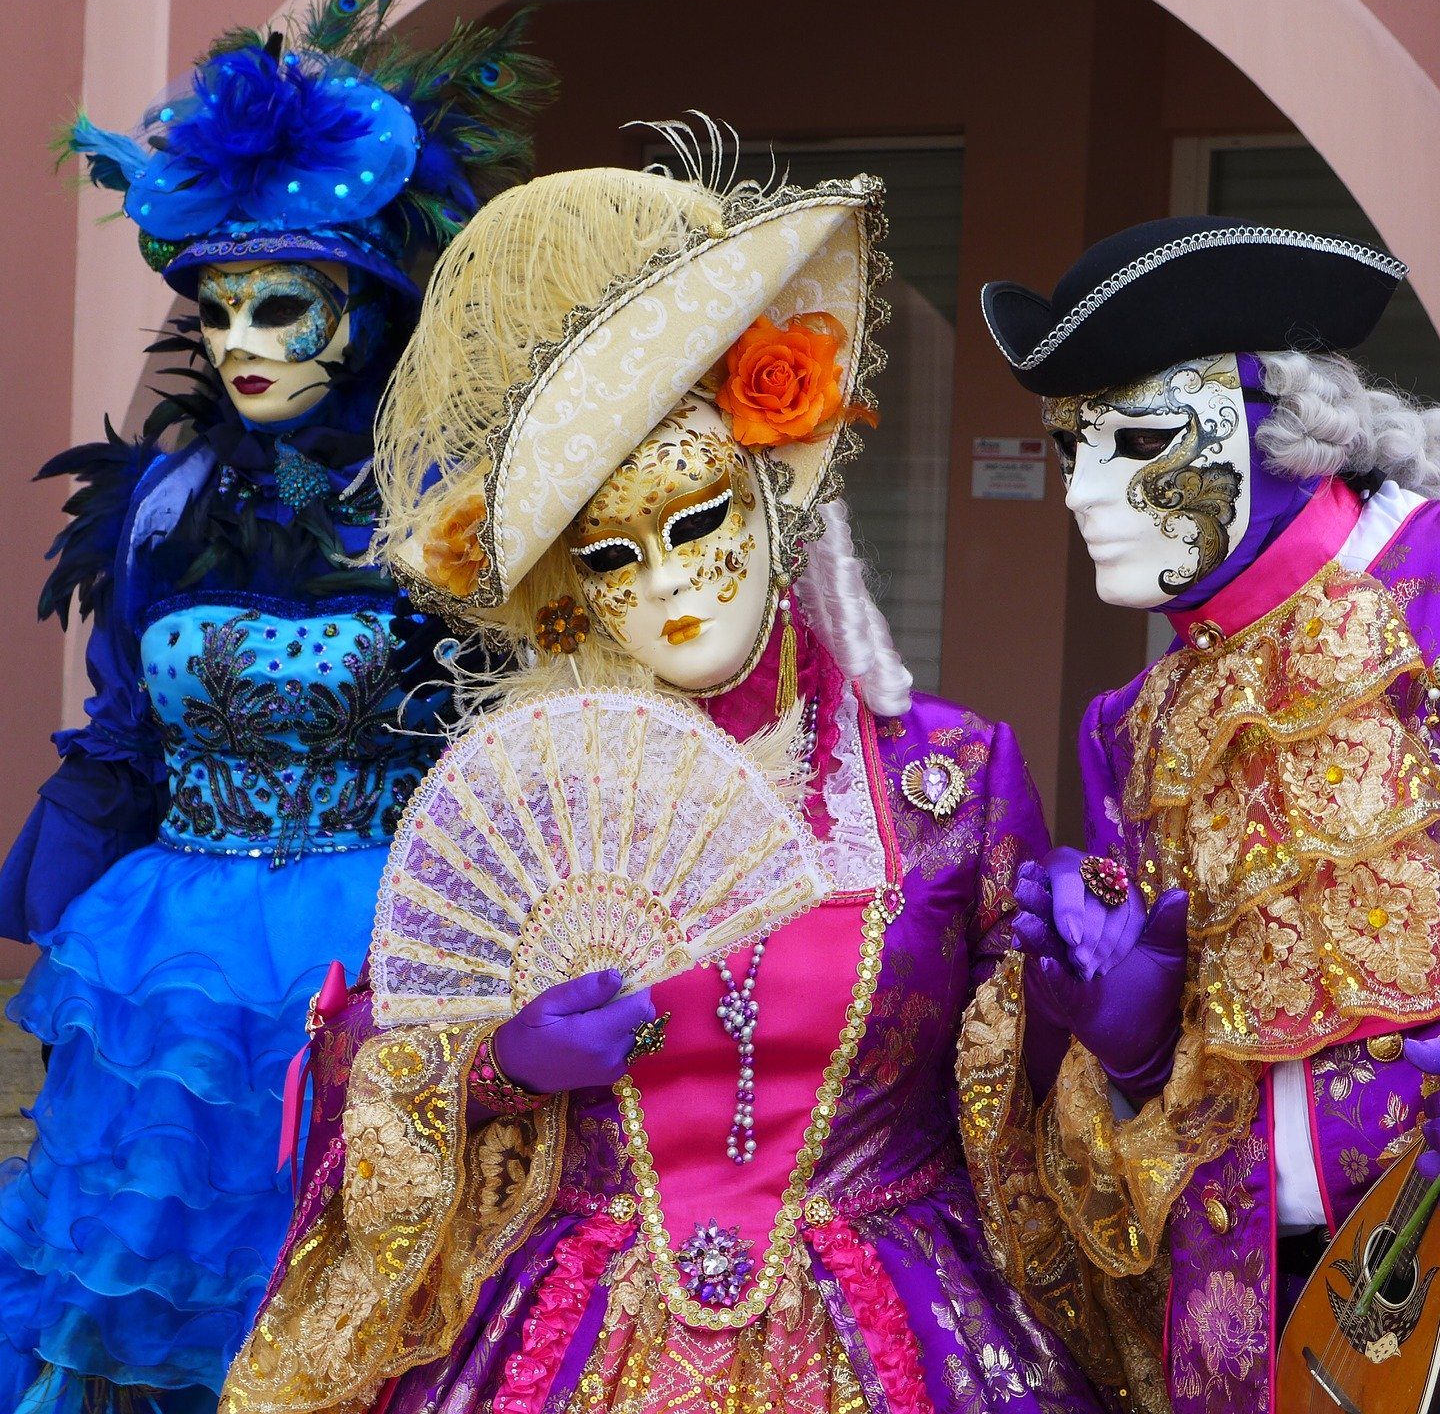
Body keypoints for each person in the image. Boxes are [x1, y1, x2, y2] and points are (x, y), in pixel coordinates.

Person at [220, 146, 1110, 1414]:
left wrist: (1112, 1029)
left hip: (901, 1326)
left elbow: (1028, 1113)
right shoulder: (528, 807)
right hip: (572, 1326)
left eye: (699, 519)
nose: (673, 583)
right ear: (572, 590)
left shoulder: (953, 783)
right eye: (614, 556)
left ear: (779, 506)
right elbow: (386, 1054)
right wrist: (500, 1067)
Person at [0, 0, 554, 1408]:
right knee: (146, 1276)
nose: (243, 340)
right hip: (172, 962)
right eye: (221, 309)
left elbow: (496, 736)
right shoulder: (167, 505)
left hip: (366, 943)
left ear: (360, 317)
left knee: (341, 1272)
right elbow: (123, 725)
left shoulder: (436, 516)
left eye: (282, 307)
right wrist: (59, 902)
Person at [968, 215, 1440, 1412]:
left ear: (1286, 429)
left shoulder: (1430, 596)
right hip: (1250, 1316)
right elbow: (1176, 1104)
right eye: (1066, 448)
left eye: (1134, 442)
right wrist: (1130, 1051)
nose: (1080, 493)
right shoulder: (1136, 726)